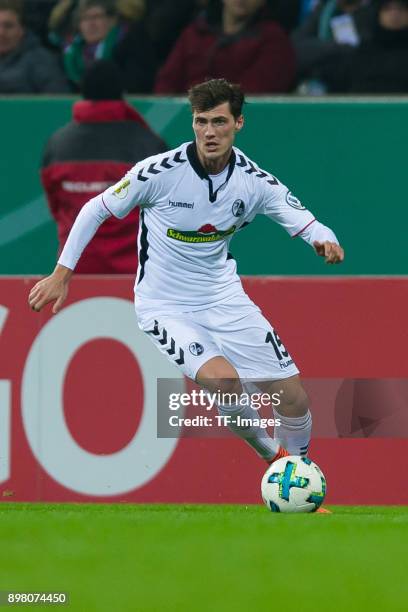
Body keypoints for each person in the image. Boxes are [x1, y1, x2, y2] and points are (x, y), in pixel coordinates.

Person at [29, 79, 344, 513]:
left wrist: (323, 241)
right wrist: (62, 274)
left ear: (238, 124)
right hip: (165, 304)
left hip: (223, 298)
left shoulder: (253, 182)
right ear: (193, 124)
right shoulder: (159, 172)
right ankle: (277, 461)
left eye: (219, 122)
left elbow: (303, 219)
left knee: (293, 397)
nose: (209, 132)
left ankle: (300, 480)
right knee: (223, 380)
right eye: (201, 122)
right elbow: (96, 208)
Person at [40, 60, 166, 274]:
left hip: (73, 273)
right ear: (121, 92)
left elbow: (56, 208)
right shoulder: (149, 144)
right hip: (137, 275)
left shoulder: (57, 145)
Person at [154, 0, 296, 94]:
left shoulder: (274, 40)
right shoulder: (194, 33)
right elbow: (166, 83)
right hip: (182, 120)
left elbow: (252, 95)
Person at [60, 0, 155, 92]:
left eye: (97, 17)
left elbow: (137, 86)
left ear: (112, 20)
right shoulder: (71, 53)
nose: (91, 24)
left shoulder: (131, 44)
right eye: (85, 18)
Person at [292, 0, 376, 93]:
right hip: (319, 84)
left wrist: (325, 49)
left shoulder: (376, 11)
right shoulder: (325, 10)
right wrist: (336, 46)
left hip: (359, 89)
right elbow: (296, 46)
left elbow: (362, 51)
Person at [0, 0, 69, 93]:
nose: (1, 33)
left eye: (8, 26)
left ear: (22, 30)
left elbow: (57, 100)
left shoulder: (42, 61)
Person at [339, 0, 408, 92]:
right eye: (387, 9)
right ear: (378, 14)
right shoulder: (363, 53)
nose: (394, 13)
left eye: (401, 8)